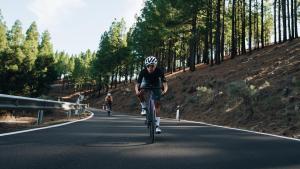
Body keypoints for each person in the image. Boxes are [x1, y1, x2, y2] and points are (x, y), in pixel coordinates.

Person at [135, 56, 168, 134]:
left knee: (157, 105)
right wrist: (137, 91)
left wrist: (165, 90)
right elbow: (137, 84)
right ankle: (143, 106)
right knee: (140, 91)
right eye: (148, 66)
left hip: (156, 83)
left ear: (155, 65)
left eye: (152, 66)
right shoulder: (143, 72)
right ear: (146, 66)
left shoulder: (159, 71)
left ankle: (157, 126)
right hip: (146, 82)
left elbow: (165, 83)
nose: (150, 68)